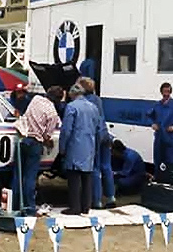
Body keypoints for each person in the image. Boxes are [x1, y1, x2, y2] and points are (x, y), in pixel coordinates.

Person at [58, 83, 105, 215]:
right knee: (87, 177)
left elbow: (66, 130)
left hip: (75, 145)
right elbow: (98, 128)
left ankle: (74, 207)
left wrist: (62, 147)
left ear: (72, 94)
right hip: (90, 145)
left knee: (74, 178)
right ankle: (86, 206)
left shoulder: (72, 107)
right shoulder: (93, 107)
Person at [11, 94, 60, 216]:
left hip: (22, 140)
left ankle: (14, 205)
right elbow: (47, 135)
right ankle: (29, 208)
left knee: (17, 175)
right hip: (35, 144)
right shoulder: (53, 113)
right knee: (30, 177)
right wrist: (49, 144)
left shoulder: (36, 99)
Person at [78, 77, 115, 209]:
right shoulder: (98, 99)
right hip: (105, 134)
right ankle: (111, 197)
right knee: (107, 166)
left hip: (95, 136)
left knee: (95, 168)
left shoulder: (84, 101)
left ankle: (97, 200)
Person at [147, 82, 173, 169]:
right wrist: (152, 123)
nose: (166, 94)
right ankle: (158, 178)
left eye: (168, 91)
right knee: (158, 159)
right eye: (164, 91)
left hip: (170, 137)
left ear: (170, 92)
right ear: (161, 92)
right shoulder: (157, 105)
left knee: (171, 160)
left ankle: (170, 179)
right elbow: (148, 115)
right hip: (159, 136)